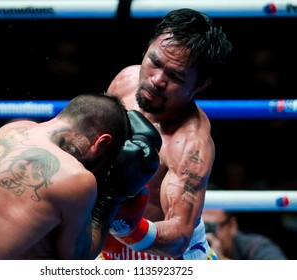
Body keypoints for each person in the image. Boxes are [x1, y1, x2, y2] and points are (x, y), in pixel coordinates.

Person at [0, 93, 162, 259]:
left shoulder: (11, 130)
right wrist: (113, 195)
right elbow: (78, 261)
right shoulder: (76, 177)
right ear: (102, 142)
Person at [99, 8, 233, 260]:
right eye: (155, 62)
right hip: (112, 249)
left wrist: (122, 224)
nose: (157, 80)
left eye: (175, 76)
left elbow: (178, 237)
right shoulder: (126, 80)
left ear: (200, 84)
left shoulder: (190, 143)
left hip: (172, 259)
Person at [202, 209, 287, 260]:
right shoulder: (190, 247)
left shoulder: (255, 247)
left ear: (232, 225)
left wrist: (219, 261)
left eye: (210, 227)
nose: (205, 234)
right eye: (200, 227)